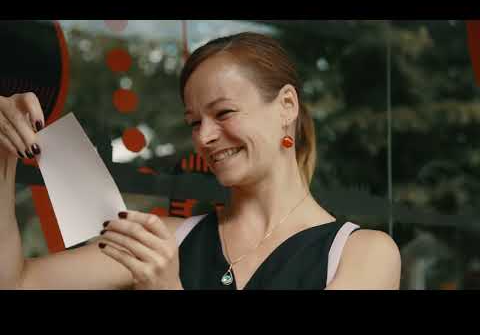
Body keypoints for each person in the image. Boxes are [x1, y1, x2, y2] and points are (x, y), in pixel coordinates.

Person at [0, 32, 401, 290]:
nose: (204, 137)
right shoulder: (168, 240)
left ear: (286, 105)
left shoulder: (362, 254)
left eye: (223, 113)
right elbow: (16, 282)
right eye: (194, 122)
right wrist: (3, 150)